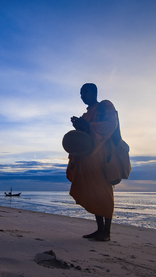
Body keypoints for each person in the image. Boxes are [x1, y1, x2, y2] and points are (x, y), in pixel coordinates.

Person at [66, 83, 118, 241]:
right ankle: (99, 229)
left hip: (102, 157)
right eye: (80, 93)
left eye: (85, 93)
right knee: (94, 193)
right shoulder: (86, 114)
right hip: (87, 158)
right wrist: (79, 126)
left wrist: (88, 125)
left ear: (94, 92)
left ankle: (106, 233)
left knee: (104, 193)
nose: (82, 96)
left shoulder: (105, 106)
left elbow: (111, 126)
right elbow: (84, 137)